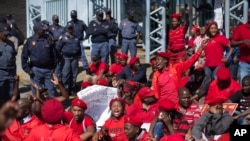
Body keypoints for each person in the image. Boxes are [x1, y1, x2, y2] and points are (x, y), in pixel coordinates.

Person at [21, 21, 57, 97]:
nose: (45, 31)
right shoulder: (30, 41)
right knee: (36, 93)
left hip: (48, 70)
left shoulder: (49, 39)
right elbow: (24, 57)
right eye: (42, 30)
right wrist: (28, 70)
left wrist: (53, 68)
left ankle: (50, 108)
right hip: (35, 70)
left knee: (51, 91)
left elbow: (54, 54)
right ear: (37, 30)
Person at [56, 22, 81, 94]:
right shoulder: (62, 38)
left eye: (71, 28)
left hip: (74, 58)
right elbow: (58, 48)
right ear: (67, 29)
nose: (70, 29)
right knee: (66, 74)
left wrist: (79, 56)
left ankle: (72, 88)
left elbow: (79, 48)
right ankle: (65, 89)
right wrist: (59, 58)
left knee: (74, 74)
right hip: (66, 58)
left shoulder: (76, 38)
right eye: (69, 28)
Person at [231, 12, 250, 85]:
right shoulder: (240, 28)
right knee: (244, 86)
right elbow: (232, 43)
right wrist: (242, 42)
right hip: (244, 63)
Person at [0, 23, 17, 102]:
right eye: (4, 34)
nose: (6, 36)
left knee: (10, 96)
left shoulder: (10, 43)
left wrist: (14, 73)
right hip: (1, 73)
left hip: (10, 73)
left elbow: (13, 58)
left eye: (7, 34)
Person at [49, 15, 66, 81]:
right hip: (53, 48)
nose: (56, 21)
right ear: (53, 20)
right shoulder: (50, 28)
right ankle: (53, 78)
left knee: (61, 63)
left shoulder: (62, 28)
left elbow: (64, 36)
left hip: (60, 48)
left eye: (57, 20)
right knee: (53, 64)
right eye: (55, 20)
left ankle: (59, 79)